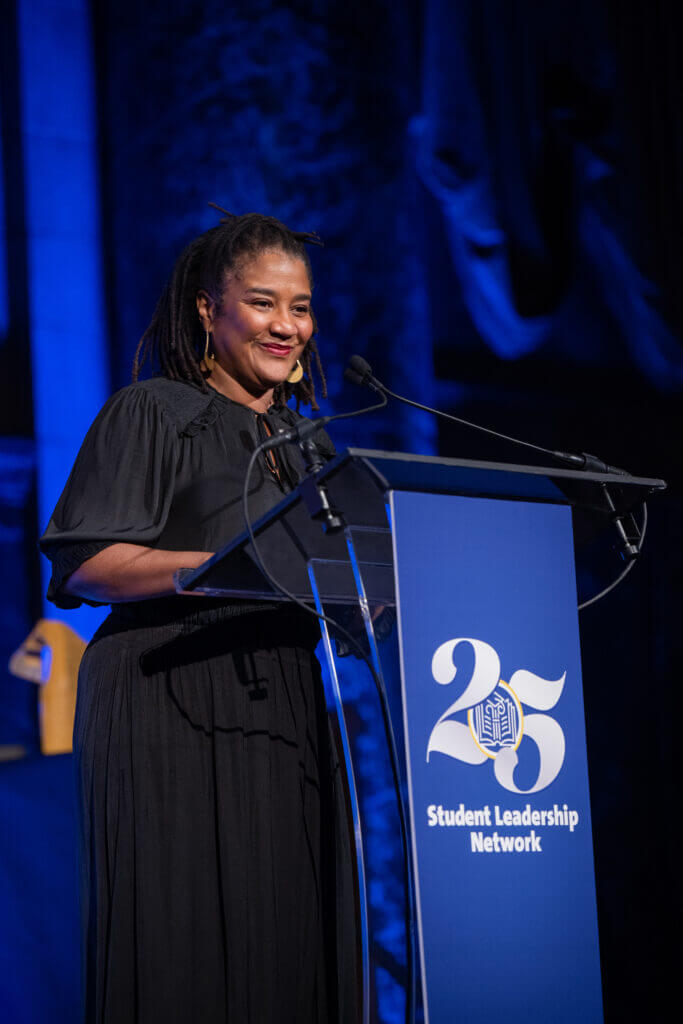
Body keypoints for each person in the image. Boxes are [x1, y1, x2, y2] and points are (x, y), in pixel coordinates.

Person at [39, 211, 359, 1023]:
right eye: (263, 303)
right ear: (208, 310)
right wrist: (222, 566)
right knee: (186, 935)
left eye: (300, 307)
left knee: (285, 928)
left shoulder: (309, 448)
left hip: (283, 696)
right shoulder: (153, 411)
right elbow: (86, 563)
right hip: (168, 691)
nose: (287, 326)